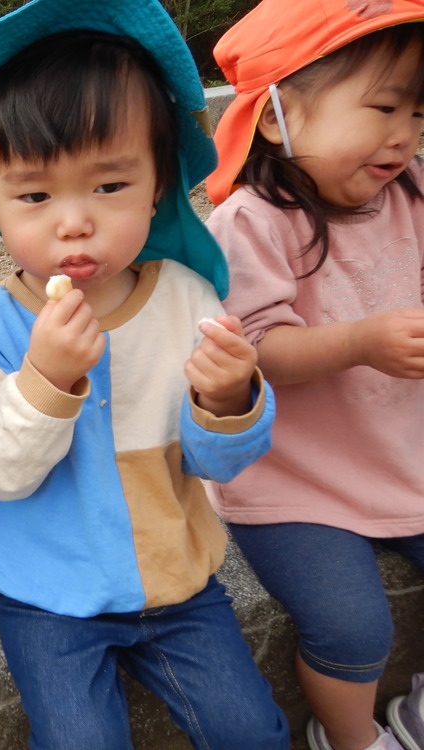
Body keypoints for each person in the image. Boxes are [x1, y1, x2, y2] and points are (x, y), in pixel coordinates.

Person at [0, 0, 289, 747]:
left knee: (253, 731)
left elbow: (220, 462)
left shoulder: (188, 299)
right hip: (42, 594)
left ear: (159, 185)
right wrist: (43, 379)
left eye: (109, 186)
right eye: (35, 195)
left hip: (176, 582)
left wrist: (229, 397)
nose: (73, 221)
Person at [204, 1, 424, 749]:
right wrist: (360, 340)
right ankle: (352, 737)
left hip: (401, 450)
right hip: (297, 479)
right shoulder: (254, 222)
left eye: (418, 112)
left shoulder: (413, 194)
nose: (404, 134)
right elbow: (256, 350)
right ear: (277, 118)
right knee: (352, 625)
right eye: (384, 107)